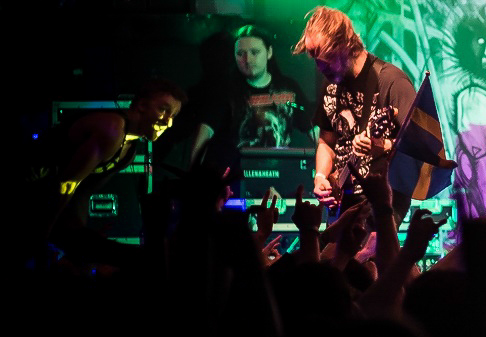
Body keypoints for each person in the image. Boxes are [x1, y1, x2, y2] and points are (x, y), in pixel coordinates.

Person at [14, 78, 186, 266]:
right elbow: (66, 184)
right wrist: (43, 237)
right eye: (163, 110)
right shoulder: (112, 128)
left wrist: (78, 237)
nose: (169, 122)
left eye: (173, 116)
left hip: (48, 206)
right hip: (25, 196)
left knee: (132, 258)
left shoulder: (129, 152)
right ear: (142, 105)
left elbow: (83, 191)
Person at [293, 7, 415, 222]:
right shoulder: (331, 83)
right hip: (344, 201)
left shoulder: (391, 81)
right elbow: (326, 142)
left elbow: (418, 146)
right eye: (316, 61)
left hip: (382, 201)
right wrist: (320, 177)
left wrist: (383, 145)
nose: (320, 68)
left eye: (327, 60)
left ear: (346, 45)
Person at [188, 24, 314, 170]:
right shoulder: (226, 90)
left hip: (282, 173)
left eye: (255, 52)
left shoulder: (288, 88)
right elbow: (205, 130)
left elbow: (313, 127)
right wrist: (194, 172)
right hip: (238, 175)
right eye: (240, 53)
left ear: (269, 52)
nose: (247, 59)